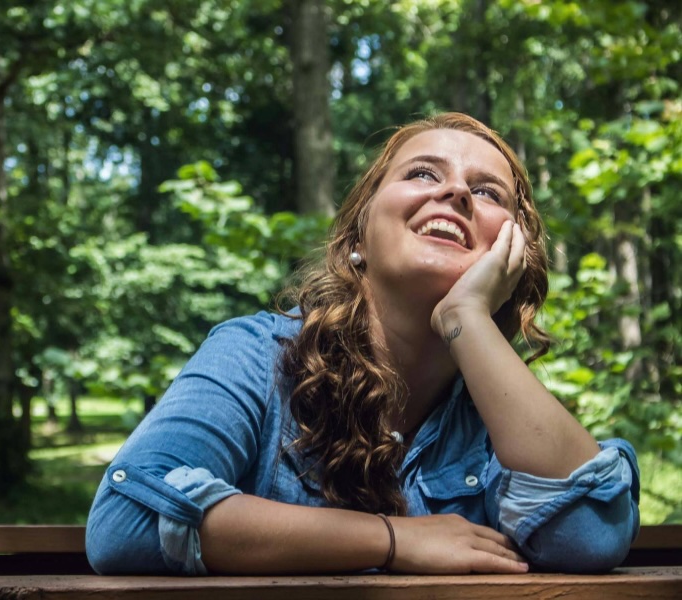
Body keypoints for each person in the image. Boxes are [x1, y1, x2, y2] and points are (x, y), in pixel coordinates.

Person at [85, 112, 639, 576]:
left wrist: (467, 317)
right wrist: (393, 540)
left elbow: (588, 537)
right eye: (423, 174)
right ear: (357, 236)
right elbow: (125, 521)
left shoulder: (503, 420)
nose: (455, 192)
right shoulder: (255, 355)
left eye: (487, 191)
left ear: (513, 253)